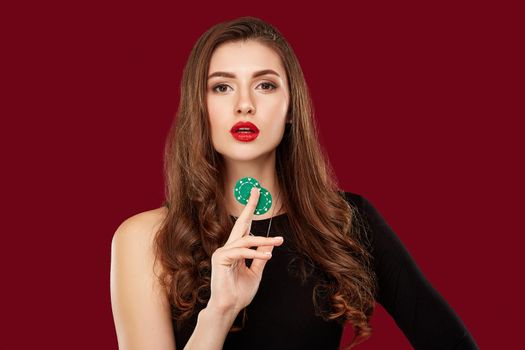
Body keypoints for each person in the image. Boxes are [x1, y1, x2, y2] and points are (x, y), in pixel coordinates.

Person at [110, 16, 478, 350]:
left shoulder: (346, 221)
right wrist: (219, 313)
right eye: (221, 87)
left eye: (265, 85)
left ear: (291, 108)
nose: (244, 104)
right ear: (199, 108)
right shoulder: (144, 238)